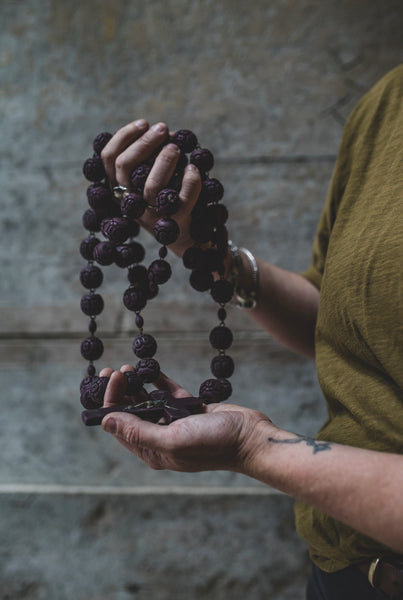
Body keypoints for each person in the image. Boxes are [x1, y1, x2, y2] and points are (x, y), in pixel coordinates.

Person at [97, 65, 403, 599]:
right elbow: (343, 326)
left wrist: (254, 447)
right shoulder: (388, 103)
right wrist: (207, 253)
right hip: (343, 572)